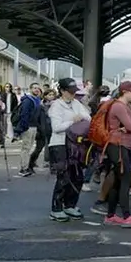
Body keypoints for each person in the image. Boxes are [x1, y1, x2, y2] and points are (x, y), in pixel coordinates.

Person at [47, 78, 90, 222]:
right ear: (62, 91)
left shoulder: (76, 103)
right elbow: (56, 127)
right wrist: (73, 120)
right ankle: (56, 208)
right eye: (70, 92)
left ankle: (70, 204)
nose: (73, 95)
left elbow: (88, 117)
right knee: (63, 177)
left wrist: (78, 118)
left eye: (74, 92)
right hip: (59, 144)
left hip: (75, 145)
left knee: (77, 176)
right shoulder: (56, 106)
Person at [104, 82, 131, 227]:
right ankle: (126, 216)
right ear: (125, 92)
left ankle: (111, 215)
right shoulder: (120, 107)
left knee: (118, 180)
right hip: (120, 145)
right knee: (125, 179)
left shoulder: (120, 105)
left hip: (118, 144)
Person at [13, 83, 44, 177]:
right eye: (34, 88)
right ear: (30, 89)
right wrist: (24, 127)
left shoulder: (37, 100)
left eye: (38, 88)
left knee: (28, 147)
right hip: (28, 127)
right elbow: (24, 114)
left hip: (34, 126)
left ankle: (26, 167)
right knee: (26, 148)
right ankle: (23, 168)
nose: (37, 90)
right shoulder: (28, 100)